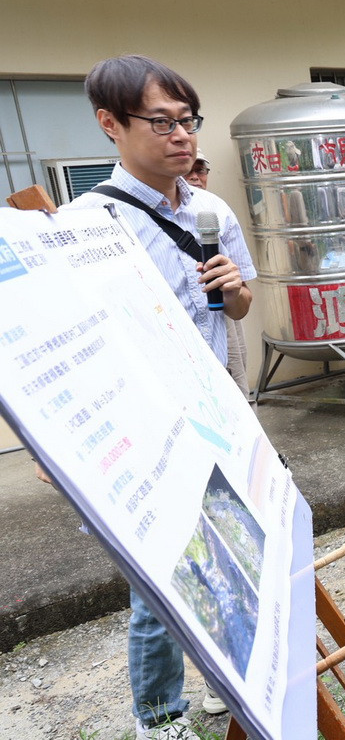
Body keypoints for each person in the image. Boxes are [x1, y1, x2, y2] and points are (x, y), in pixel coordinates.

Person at [67, 55, 255, 740]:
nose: (182, 136)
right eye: (163, 122)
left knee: (228, 556)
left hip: (217, 412)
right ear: (110, 125)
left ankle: (226, 686)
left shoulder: (211, 209)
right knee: (159, 582)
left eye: (188, 121)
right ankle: (159, 716)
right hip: (144, 428)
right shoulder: (86, 224)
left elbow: (237, 311)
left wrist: (235, 290)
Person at [186, 149, 252, 404]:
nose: (194, 177)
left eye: (200, 170)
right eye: (188, 170)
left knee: (237, 388)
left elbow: (245, 292)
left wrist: (233, 291)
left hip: (223, 318)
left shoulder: (216, 210)